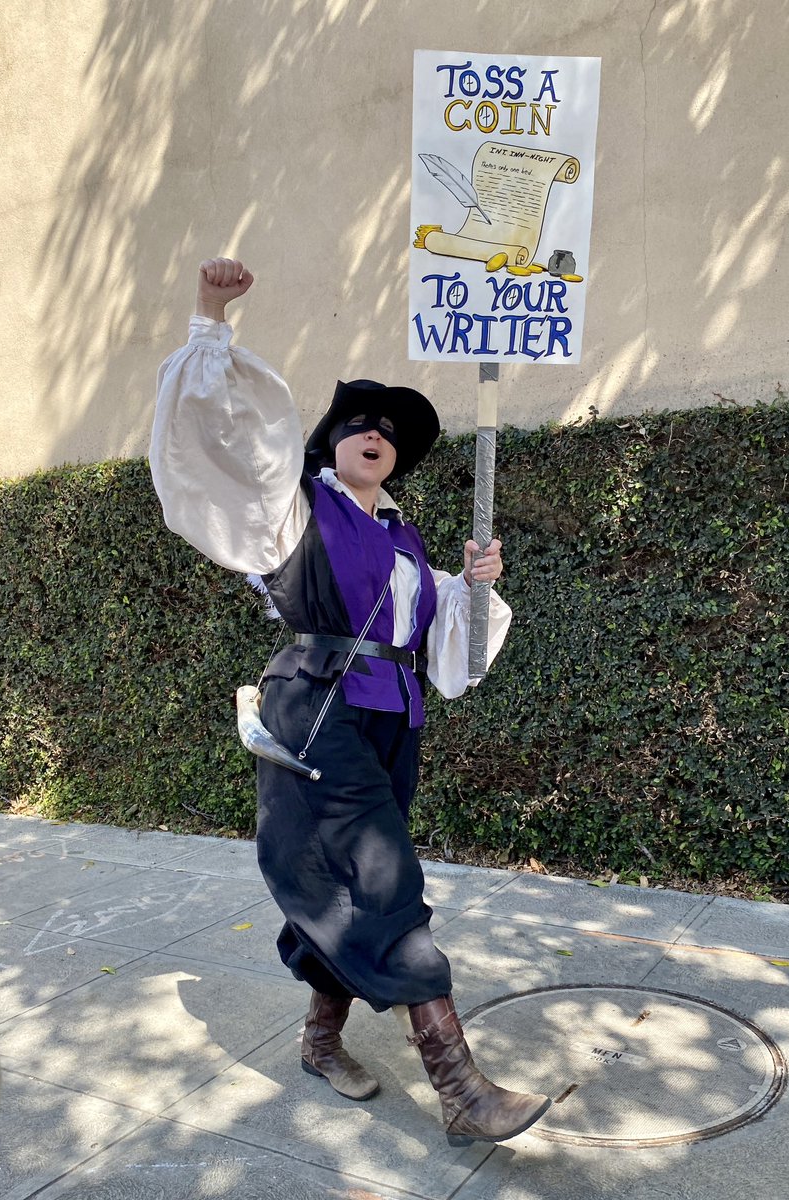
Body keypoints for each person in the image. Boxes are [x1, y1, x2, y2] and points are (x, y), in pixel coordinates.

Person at [150, 257, 550, 1146]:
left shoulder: (405, 541)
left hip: (391, 720)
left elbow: (454, 646)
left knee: (352, 890)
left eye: (387, 430)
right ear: (330, 445)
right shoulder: (292, 513)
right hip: (316, 710)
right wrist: (211, 318)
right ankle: (462, 1089)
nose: (373, 434)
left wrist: (475, 587)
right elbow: (221, 442)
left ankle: (321, 1040)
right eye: (356, 425)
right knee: (384, 882)